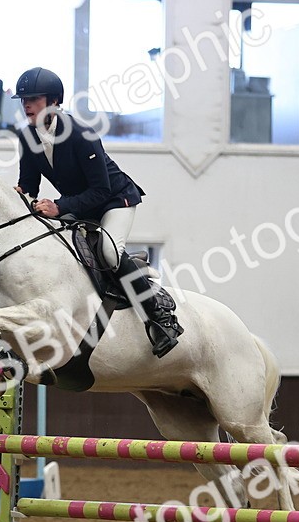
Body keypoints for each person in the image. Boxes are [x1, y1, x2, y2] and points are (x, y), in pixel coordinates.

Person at [12, 67, 182, 358]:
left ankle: (160, 316)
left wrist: (60, 207)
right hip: (79, 203)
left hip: (115, 200)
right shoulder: (28, 136)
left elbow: (101, 190)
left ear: (53, 101)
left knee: (109, 252)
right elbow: (29, 185)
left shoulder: (81, 134)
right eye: (23, 99)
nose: (26, 105)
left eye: (34, 98)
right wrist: (16, 199)